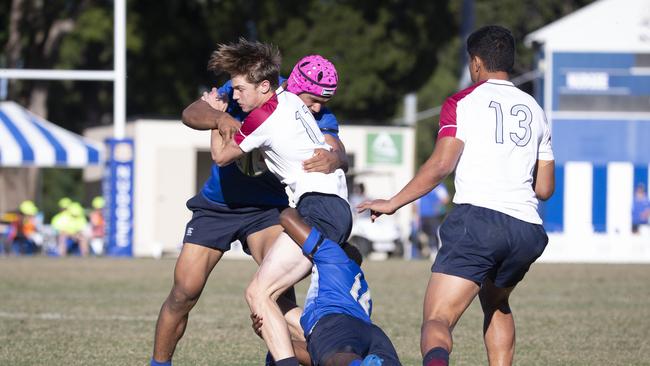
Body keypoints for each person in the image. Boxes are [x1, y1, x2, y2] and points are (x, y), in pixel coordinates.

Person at [358, 25, 555, 366]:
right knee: (496, 302)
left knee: (437, 319)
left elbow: (441, 165)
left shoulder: (462, 102)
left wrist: (392, 203)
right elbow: (544, 189)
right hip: (527, 229)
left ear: (475, 62)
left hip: (479, 221)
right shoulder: (535, 109)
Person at [150, 50, 348, 366]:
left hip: (268, 209)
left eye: (324, 101)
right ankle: (159, 364)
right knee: (184, 292)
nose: (318, 107)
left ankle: (304, 358)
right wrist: (220, 117)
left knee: (276, 295)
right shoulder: (250, 87)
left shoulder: (310, 108)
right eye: (314, 98)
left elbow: (335, 150)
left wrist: (337, 158)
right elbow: (191, 113)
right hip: (218, 205)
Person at [206, 39, 351, 366]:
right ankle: (350, 354)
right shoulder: (294, 104)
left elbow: (221, 155)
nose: (236, 96)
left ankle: (348, 345)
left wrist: (218, 116)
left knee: (259, 295)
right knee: (269, 301)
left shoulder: (268, 115)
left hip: (318, 208)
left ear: (266, 86)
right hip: (333, 208)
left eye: (241, 89)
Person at [278, 207, 400, 366]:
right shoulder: (358, 282)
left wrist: (296, 205)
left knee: (337, 358)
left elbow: (287, 218)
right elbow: (316, 352)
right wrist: (272, 332)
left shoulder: (333, 254)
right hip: (374, 335)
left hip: (334, 323)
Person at [413, 184, 449, 258]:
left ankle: (435, 251)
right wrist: (415, 216)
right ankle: (427, 251)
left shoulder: (438, 186)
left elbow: (445, 199)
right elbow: (415, 204)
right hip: (422, 216)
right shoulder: (420, 186)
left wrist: (438, 207)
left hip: (434, 215)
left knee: (435, 233)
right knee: (423, 235)